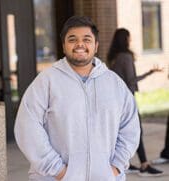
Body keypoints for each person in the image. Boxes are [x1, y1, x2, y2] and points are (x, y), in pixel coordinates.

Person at [14, 16, 140, 181]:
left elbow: (130, 127)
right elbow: (27, 127)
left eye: (86, 39)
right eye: (72, 39)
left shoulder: (114, 83)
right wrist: (58, 171)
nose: (80, 44)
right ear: (64, 46)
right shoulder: (47, 81)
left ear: (96, 46)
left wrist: (116, 166)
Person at [107, 28, 163, 177]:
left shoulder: (113, 57)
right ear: (125, 39)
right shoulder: (126, 56)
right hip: (126, 100)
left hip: (114, 99)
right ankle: (144, 164)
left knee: (120, 132)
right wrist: (149, 74)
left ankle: (125, 163)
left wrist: (150, 72)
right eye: (129, 38)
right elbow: (131, 80)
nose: (130, 40)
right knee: (136, 130)